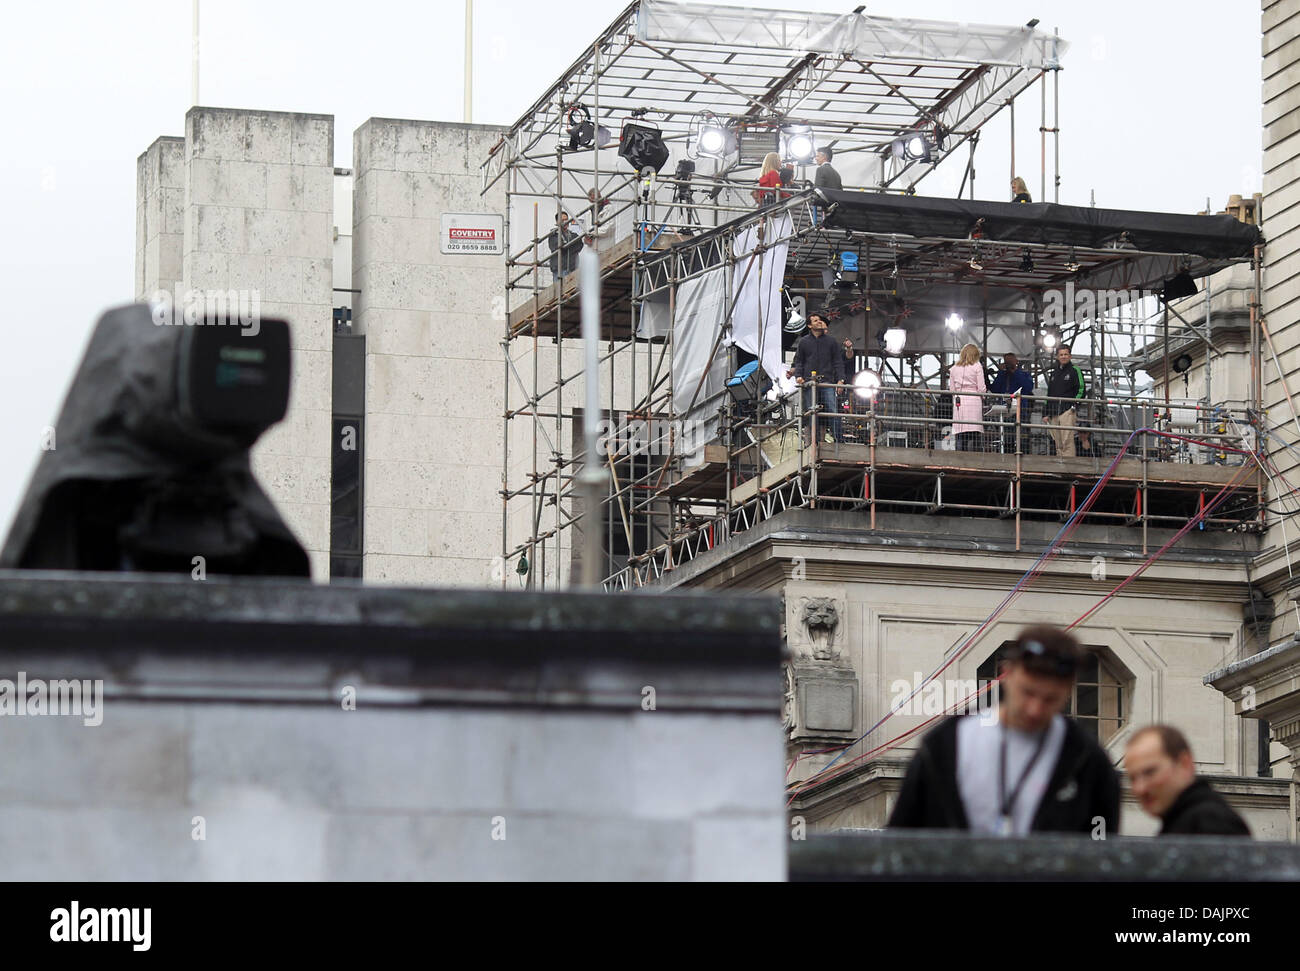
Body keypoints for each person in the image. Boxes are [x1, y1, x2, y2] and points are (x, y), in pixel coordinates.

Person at [889, 625, 1121, 836]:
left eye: (1051, 699)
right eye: (1027, 693)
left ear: (1069, 689)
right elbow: (900, 838)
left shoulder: (1088, 759)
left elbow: (1102, 856)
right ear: (1006, 673)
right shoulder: (945, 743)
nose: (1035, 710)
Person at [1123, 725, 1250, 836]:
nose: (1140, 788)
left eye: (1150, 772)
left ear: (1184, 764)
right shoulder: (1188, 822)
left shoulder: (1210, 822)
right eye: (1132, 778)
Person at [789, 313, 854, 444]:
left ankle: (839, 440)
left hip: (826, 382)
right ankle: (814, 442)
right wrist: (798, 376)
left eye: (819, 320)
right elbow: (799, 361)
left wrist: (841, 380)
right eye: (815, 320)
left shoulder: (831, 341)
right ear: (809, 325)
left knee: (832, 410)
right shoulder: (804, 342)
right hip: (809, 382)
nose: (819, 322)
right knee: (811, 411)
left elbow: (838, 362)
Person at [1043, 345, 1086, 457]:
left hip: (1067, 410)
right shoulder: (1054, 373)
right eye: (1061, 355)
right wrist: (1045, 412)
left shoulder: (1075, 370)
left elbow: (1081, 389)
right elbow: (1049, 393)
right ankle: (1060, 466)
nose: (1063, 357)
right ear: (1057, 357)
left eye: (1066, 354)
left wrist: (1075, 405)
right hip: (1053, 412)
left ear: (1070, 356)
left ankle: (1068, 468)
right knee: (1058, 442)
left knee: (1067, 441)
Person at [990, 353, 1033, 454]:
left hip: (1020, 411)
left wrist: (1015, 371)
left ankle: (1023, 460)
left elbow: (1028, 388)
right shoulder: (1003, 375)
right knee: (1006, 440)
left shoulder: (1024, 374)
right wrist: (1001, 373)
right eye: (1007, 362)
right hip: (1005, 412)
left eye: (1011, 361)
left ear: (1016, 361)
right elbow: (995, 389)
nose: (1009, 364)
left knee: (1021, 439)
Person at [949, 343, 987, 452]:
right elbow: (981, 388)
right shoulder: (977, 366)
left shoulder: (954, 369)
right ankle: (975, 460)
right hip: (974, 401)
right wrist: (983, 396)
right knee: (974, 432)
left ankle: (959, 459)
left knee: (961, 433)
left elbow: (952, 390)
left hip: (959, 403)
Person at [545, 211, 582, 280]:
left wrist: (566, 246)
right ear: (557, 222)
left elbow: (579, 245)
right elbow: (558, 247)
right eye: (562, 220)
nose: (565, 222)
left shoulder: (573, 234)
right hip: (560, 269)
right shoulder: (553, 235)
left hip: (572, 267)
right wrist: (571, 247)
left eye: (566, 220)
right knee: (559, 289)